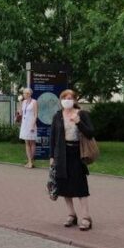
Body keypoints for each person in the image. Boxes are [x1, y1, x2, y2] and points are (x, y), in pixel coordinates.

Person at [49, 89, 96, 230]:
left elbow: (90, 133)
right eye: (65, 98)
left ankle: (86, 217)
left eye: (70, 98)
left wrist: (79, 122)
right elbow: (53, 138)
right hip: (62, 154)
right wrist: (52, 156)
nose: (67, 100)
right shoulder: (57, 116)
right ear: (61, 100)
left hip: (77, 153)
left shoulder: (82, 114)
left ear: (75, 100)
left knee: (80, 185)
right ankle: (71, 214)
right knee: (63, 185)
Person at [19, 88, 39, 168]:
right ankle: (29, 161)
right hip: (24, 124)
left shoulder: (34, 102)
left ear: (30, 94)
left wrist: (32, 125)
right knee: (27, 143)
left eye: (26, 93)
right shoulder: (23, 102)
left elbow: (35, 115)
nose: (24, 94)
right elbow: (21, 113)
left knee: (32, 142)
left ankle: (31, 161)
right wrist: (20, 102)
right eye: (24, 93)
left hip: (31, 123)